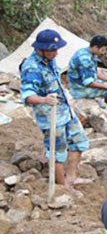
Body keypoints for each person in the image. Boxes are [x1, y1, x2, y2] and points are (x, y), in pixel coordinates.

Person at [20, 29, 90, 195]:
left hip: (65, 111)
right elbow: (28, 95)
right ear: (40, 49)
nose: (56, 53)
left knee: (79, 141)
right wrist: (43, 100)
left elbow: (56, 82)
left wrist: (65, 94)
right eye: (53, 50)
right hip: (50, 116)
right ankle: (63, 185)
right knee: (57, 151)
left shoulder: (49, 60)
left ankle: (71, 177)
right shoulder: (32, 68)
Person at [67, 35, 107, 105]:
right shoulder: (85, 60)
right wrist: (106, 86)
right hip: (80, 89)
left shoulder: (89, 53)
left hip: (81, 85)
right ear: (95, 47)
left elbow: (95, 71)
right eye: (102, 50)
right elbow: (88, 82)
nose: (103, 52)